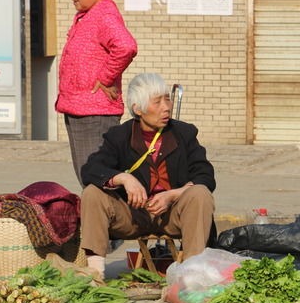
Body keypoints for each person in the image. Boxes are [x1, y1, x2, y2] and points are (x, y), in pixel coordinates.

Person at [79, 73, 216, 279]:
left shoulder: (184, 133)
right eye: (157, 101)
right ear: (138, 109)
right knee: (92, 193)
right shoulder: (119, 136)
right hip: (134, 216)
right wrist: (124, 179)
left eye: (167, 99)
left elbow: (206, 175)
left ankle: (192, 276)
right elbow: (91, 169)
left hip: (173, 215)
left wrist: (173, 195)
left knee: (200, 193)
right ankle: (94, 274)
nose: (166, 107)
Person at [55, 0, 138, 186]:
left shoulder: (103, 15)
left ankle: (106, 220)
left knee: (97, 179)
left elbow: (126, 46)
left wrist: (105, 78)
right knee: (88, 177)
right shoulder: (90, 14)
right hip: (79, 107)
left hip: (95, 112)